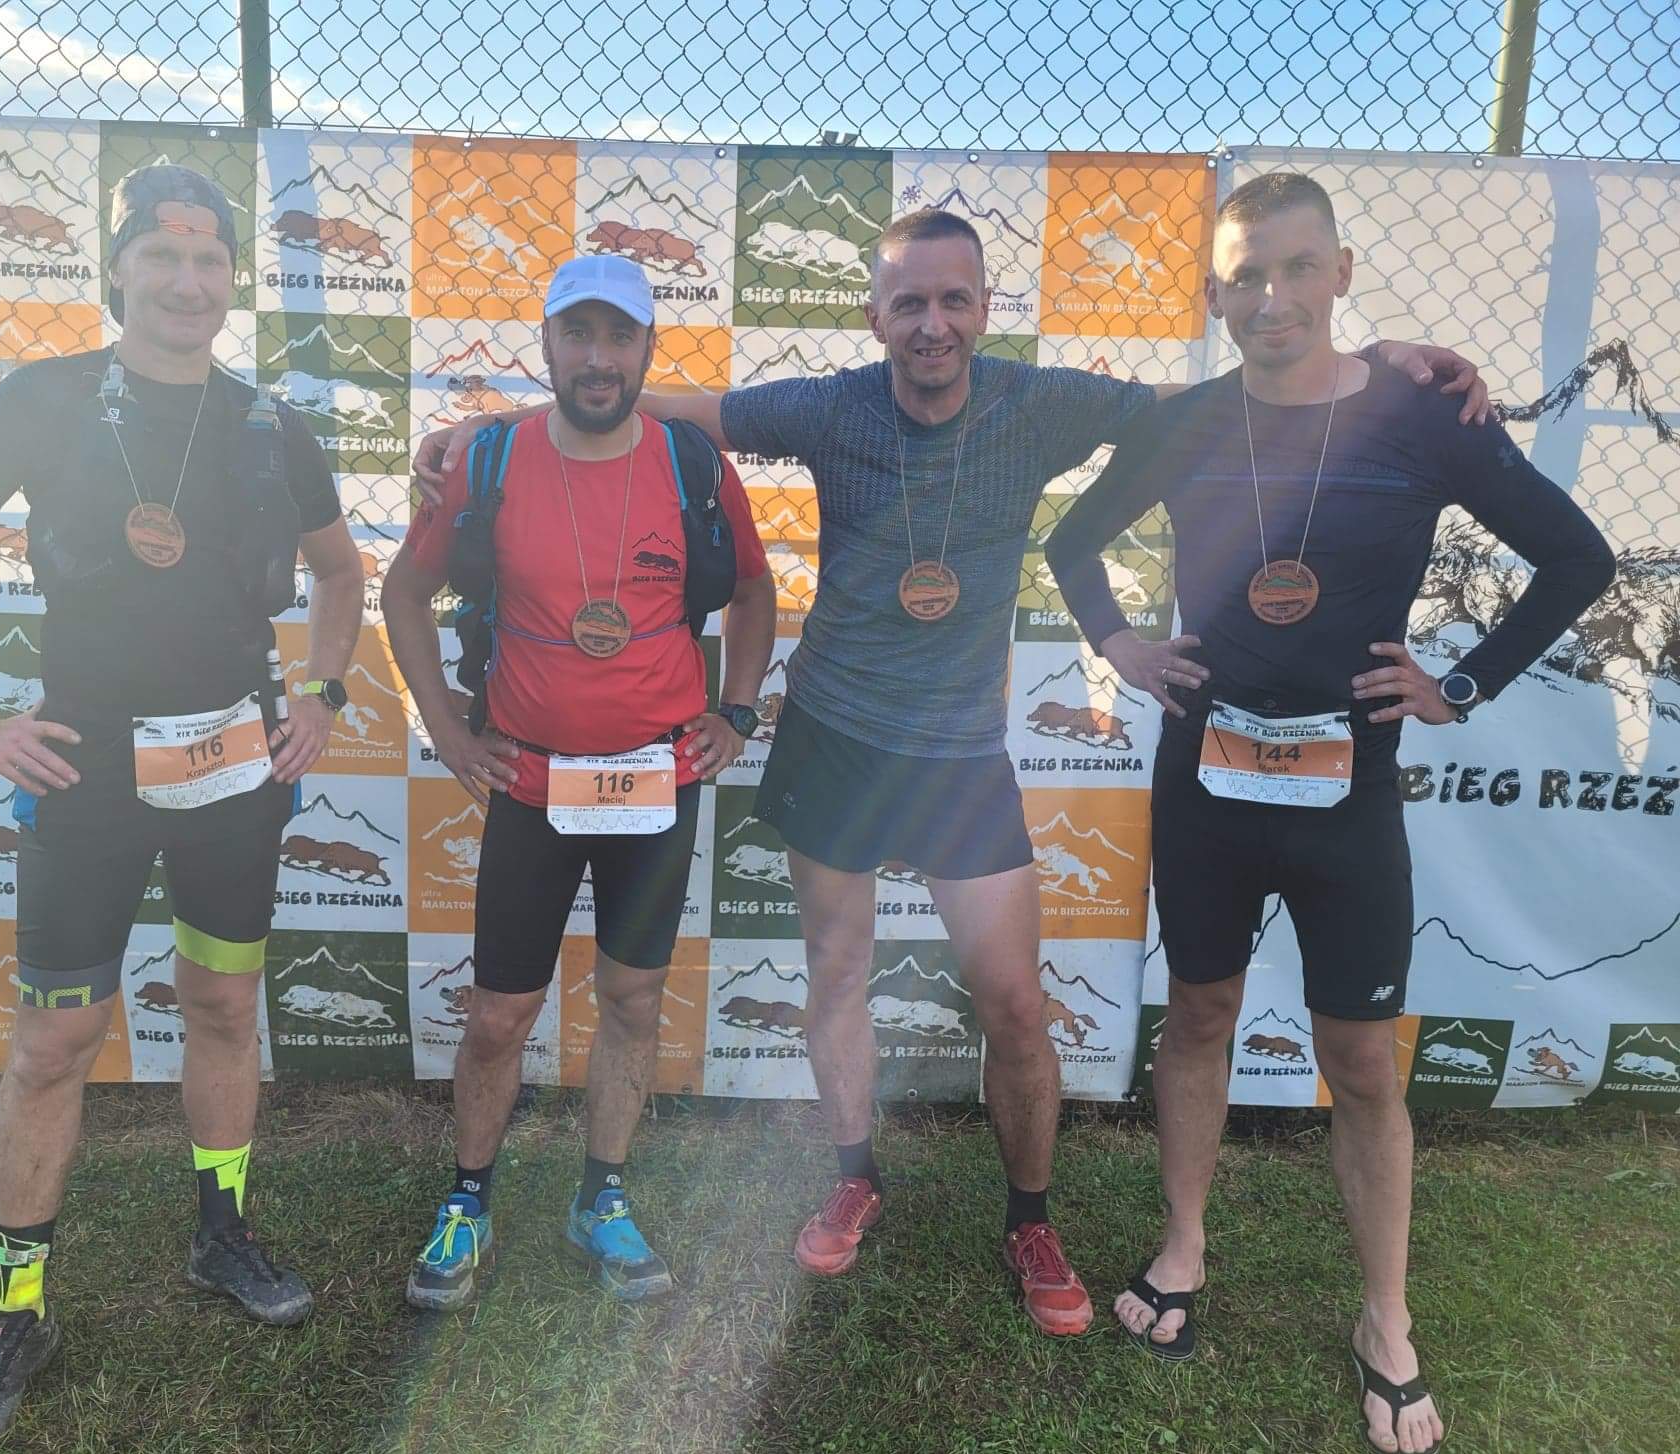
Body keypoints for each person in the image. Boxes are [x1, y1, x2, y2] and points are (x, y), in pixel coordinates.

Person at [416, 208, 1491, 1336]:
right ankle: (854, 1175)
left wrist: (1375, 364)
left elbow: (1207, 398)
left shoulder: (1040, 403)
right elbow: (674, 406)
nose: (932, 323)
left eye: (953, 300)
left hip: (962, 754)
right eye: (909, 303)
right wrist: (499, 421)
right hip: (834, 734)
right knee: (837, 974)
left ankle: (1030, 1217)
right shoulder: (832, 405)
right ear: (875, 315)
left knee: (1017, 1004)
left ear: (984, 308)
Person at [1045, 172, 1614, 1454]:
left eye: (1299, 267)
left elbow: (1576, 556)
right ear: (1215, 294)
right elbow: (1074, 543)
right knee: (1199, 1013)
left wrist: (1462, 683)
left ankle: (1386, 1316)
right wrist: (1121, 643)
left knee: (1360, 1060)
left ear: (1343, 273)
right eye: (1246, 275)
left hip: (1346, 791)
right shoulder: (1185, 422)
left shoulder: (1421, 413)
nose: (1273, 298)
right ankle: (1184, 1246)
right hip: (1205, 780)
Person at [0, 164, 366, 1454]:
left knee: (222, 1006)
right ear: (118, 271)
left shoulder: (270, 425)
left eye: (210, 261)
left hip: (233, 770)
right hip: (84, 771)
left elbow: (341, 573)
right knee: (56, 1040)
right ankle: (20, 1306)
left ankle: (222, 1234)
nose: (188, 282)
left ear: (230, 283)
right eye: (163, 256)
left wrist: (321, 695)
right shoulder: (40, 401)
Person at [386, 255, 775, 1309]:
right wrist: (448, 733)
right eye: (579, 334)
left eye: (620, 336)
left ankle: (601, 1194)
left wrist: (736, 712)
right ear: (549, 344)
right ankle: (469, 1198)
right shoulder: (489, 462)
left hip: (658, 782)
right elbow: (403, 592)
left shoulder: (693, 466)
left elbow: (753, 591)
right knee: (500, 1014)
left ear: (648, 348)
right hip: (532, 784)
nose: (599, 359)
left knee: (633, 998)